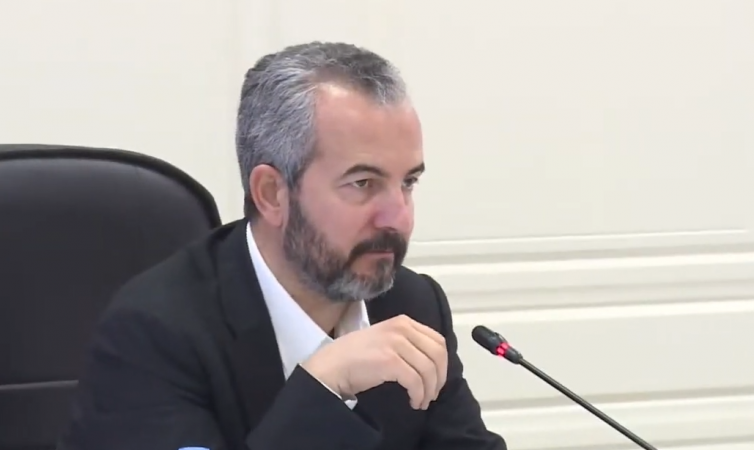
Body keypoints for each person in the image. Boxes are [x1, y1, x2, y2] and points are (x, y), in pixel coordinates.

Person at [57, 42, 507, 450]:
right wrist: (324, 385)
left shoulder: (412, 305)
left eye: (407, 183)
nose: (399, 218)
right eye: (363, 183)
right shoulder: (153, 333)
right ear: (272, 194)